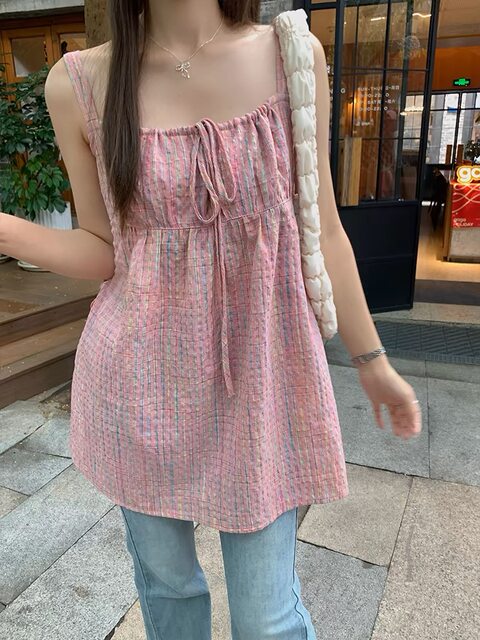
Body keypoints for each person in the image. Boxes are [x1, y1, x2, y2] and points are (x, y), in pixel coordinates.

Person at [0, 1, 422, 638]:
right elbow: (103, 249)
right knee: (170, 593)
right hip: (138, 384)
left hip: (260, 384)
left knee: (266, 619)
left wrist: (372, 361)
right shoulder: (78, 82)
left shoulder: (292, 55)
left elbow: (325, 228)